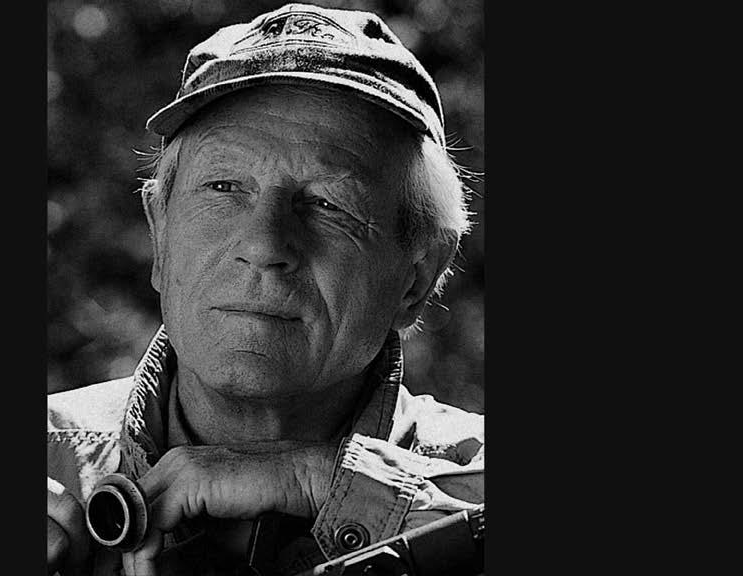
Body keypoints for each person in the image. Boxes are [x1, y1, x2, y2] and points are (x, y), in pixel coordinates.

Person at [47, 3, 484, 575]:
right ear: (160, 235)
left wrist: (323, 482)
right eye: (224, 187)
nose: (264, 244)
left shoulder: (470, 484)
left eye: (328, 203)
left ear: (417, 277)